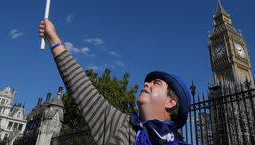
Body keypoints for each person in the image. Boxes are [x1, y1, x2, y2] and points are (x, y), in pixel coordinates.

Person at [38, 19, 192, 145]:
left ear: (171, 102)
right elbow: (82, 88)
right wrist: (53, 39)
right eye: (148, 82)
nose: (146, 84)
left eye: (156, 83)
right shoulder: (122, 126)